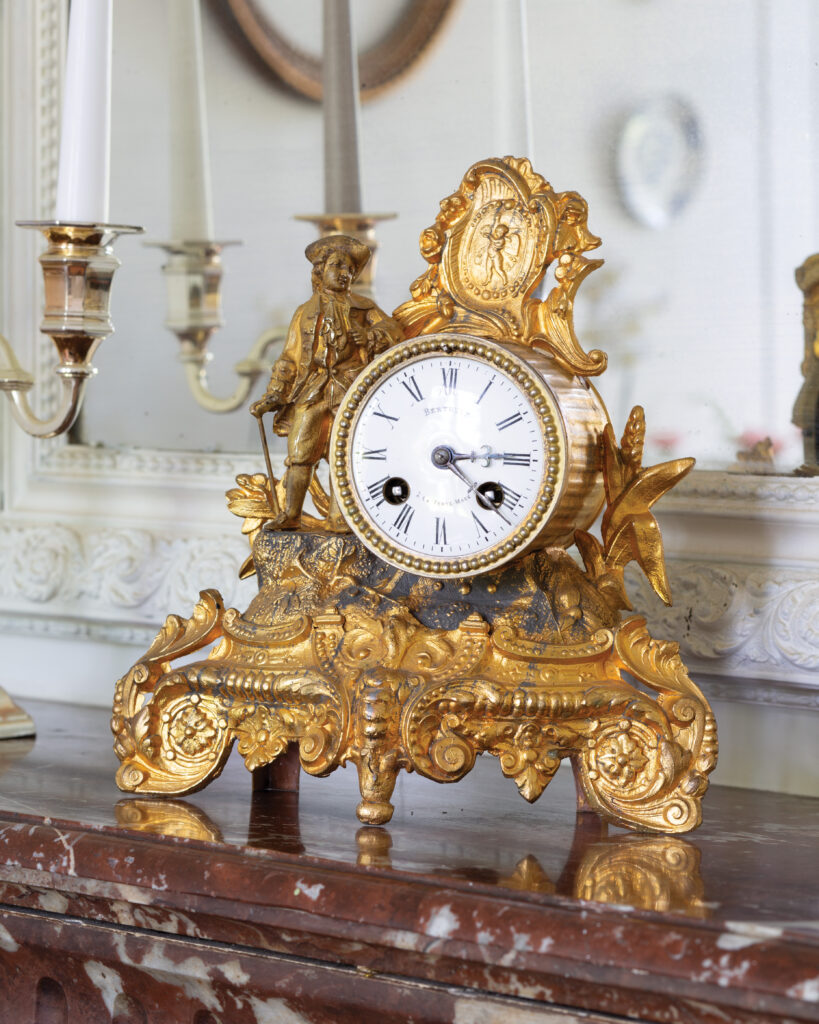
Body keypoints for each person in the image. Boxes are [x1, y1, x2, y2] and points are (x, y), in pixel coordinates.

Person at [251, 235, 403, 529]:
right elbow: (289, 358)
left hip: (350, 388)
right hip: (313, 389)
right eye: (337, 265)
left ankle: (340, 517)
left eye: (350, 269)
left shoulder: (364, 307)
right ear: (320, 271)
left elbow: (394, 330)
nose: (344, 273)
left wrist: (370, 336)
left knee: (343, 454)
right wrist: (274, 395)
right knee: (300, 454)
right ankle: (291, 515)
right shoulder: (304, 312)